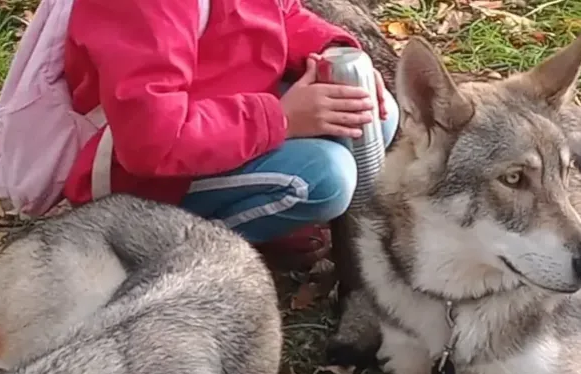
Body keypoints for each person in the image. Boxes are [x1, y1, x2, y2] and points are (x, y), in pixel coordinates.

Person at [62, 0, 399, 264]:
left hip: (227, 121)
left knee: (368, 112)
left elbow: (282, 15)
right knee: (324, 176)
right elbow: (150, 143)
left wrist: (334, 53)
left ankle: (272, 228)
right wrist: (280, 119)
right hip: (140, 182)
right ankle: (159, 255)